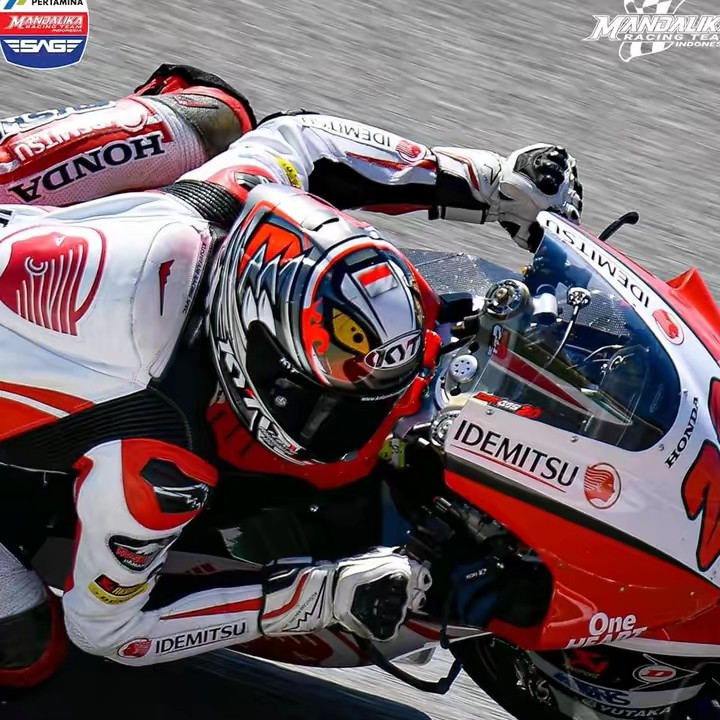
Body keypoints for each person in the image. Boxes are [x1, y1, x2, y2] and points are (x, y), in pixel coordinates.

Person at [0, 64, 582, 690]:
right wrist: (324, 594)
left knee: (214, 117)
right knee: (27, 648)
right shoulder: (157, 457)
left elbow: (305, 139)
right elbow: (110, 629)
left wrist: (493, 183)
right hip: (91, 369)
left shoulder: (221, 202)